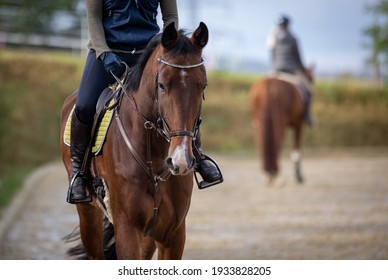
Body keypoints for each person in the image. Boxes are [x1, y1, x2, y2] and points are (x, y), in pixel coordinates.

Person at [67, 0, 222, 204]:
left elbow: (171, 18)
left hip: (149, 53)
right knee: (85, 105)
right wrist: (104, 53)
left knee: (180, 97)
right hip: (106, 51)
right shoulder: (104, 50)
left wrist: (169, 45)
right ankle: (79, 172)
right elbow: (94, 17)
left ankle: (197, 155)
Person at [266, 14, 315, 126]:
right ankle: (306, 115)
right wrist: (302, 69)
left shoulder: (272, 38)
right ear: (288, 25)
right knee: (309, 91)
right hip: (291, 71)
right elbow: (298, 57)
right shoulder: (293, 38)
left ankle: (261, 117)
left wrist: (274, 68)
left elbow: (272, 57)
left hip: (275, 71)